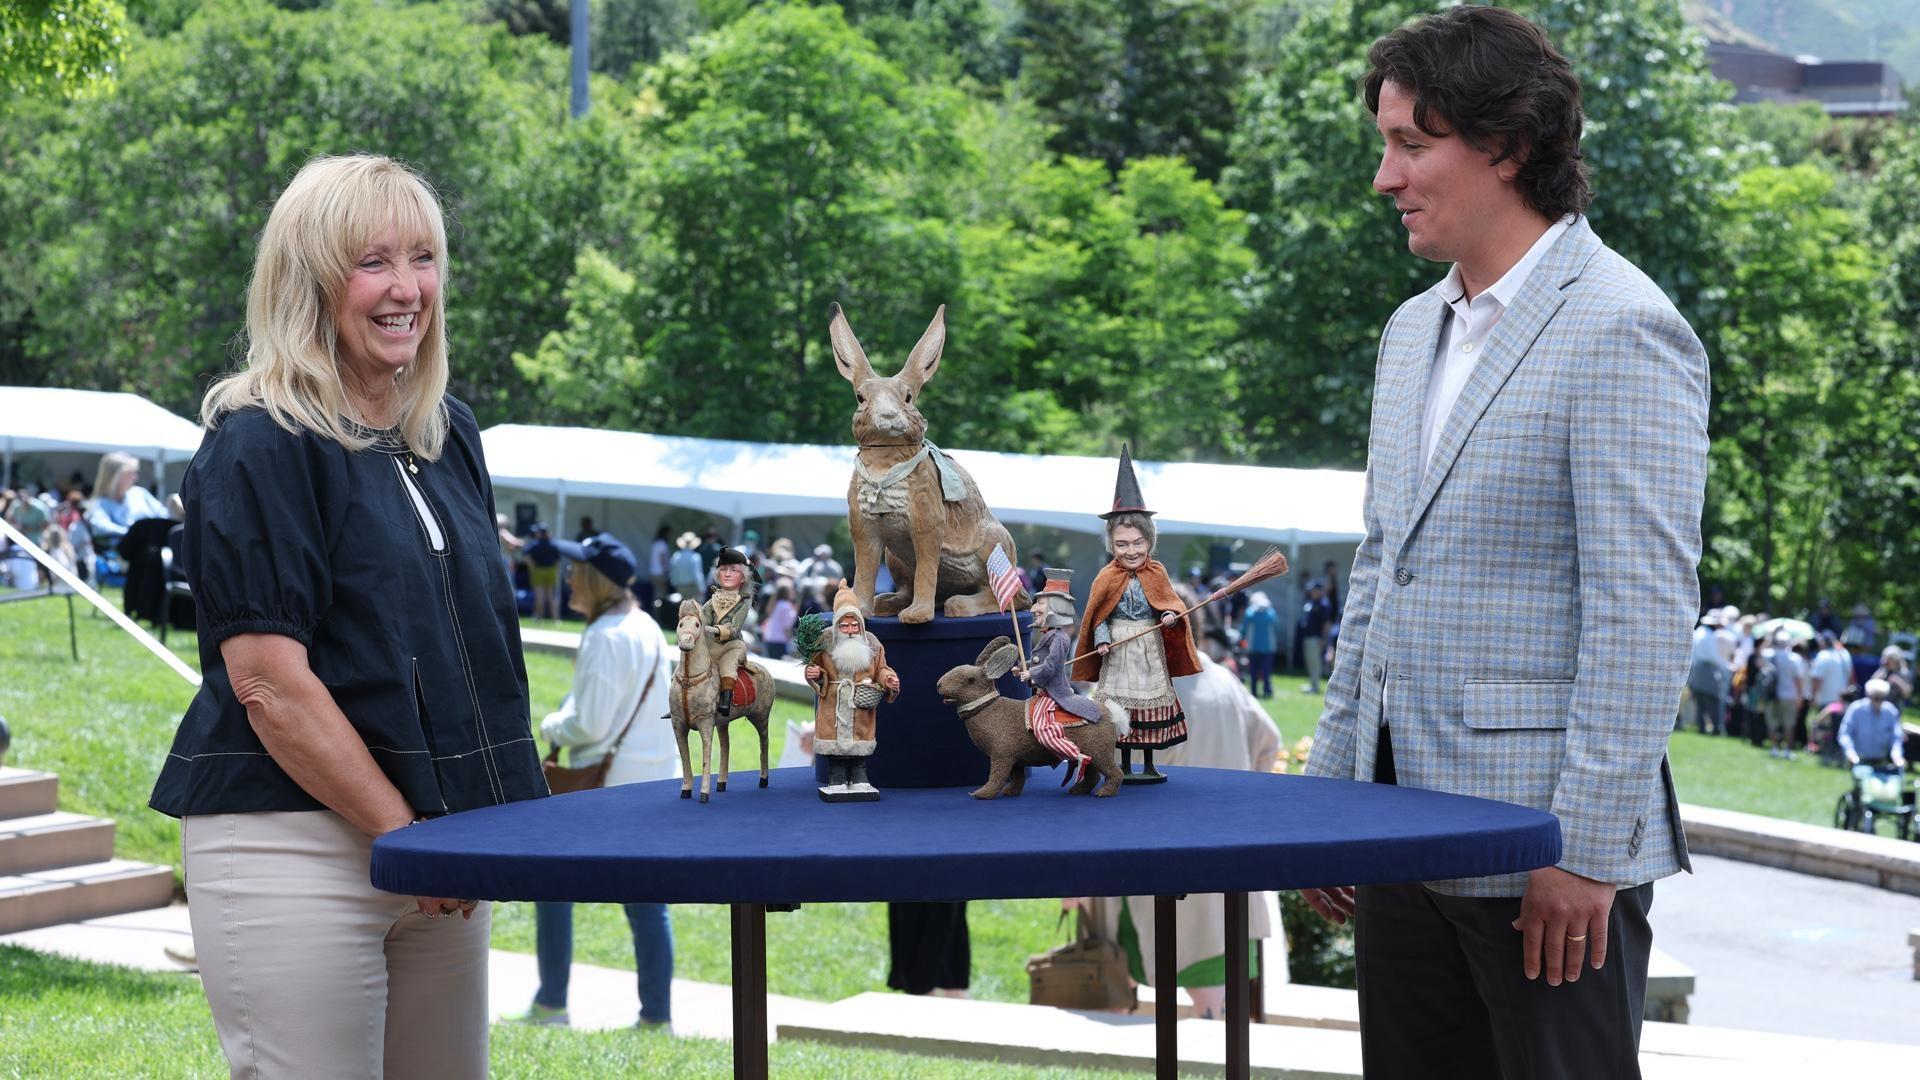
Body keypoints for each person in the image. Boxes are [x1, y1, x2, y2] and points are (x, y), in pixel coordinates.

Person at [1298, 11, 1710, 1078]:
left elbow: (1643, 610)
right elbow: (1384, 567)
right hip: (1396, 837)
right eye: (1385, 144)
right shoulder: (1409, 332)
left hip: (1544, 862)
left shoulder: (1624, 325)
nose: (1386, 178)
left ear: (1510, 145)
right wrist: (1335, 794)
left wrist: (1581, 849)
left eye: (1411, 145)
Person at [147, 154, 546, 1079]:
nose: (407, 288)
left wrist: (461, 837)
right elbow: (268, 684)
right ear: (310, 282)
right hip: (295, 842)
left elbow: (473, 654)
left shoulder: (451, 438)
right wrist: (402, 833)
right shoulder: (261, 439)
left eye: (423, 257)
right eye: (374, 262)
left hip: (435, 847)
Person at [506, 533, 676, 1030]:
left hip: (601, 790)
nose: (568, 576)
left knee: (552, 886)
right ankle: (657, 1016)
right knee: (648, 906)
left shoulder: (605, 635)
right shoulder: (643, 624)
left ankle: (552, 1003)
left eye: (576, 569)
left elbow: (591, 726)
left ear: (594, 580)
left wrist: (553, 725)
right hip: (647, 784)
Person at [1073, 651, 1281, 1018]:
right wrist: (1241, 803)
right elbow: (1269, 740)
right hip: (1225, 856)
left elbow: (1096, 774)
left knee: (1125, 991)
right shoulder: (1223, 679)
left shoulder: (1122, 688)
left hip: (1149, 862)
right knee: (1216, 986)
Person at [1074, 446, 1201, 784]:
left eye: (1137, 543)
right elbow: (1098, 617)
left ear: (1150, 540)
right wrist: (1101, 641)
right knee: (1119, 706)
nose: (1130, 551)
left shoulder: (1157, 572)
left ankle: (1149, 764)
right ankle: (1123, 765)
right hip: (1118, 648)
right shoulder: (1106, 577)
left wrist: (1170, 617)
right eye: (1122, 544)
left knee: (1149, 702)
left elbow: (1169, 603)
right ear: (1111, 544)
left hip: (1147, 650)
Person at [801, 582, 899, 799]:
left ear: (861, 625)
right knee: (835, 748)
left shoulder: (872, 643)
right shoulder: (825, 641)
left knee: (858, 745)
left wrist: (889, 678)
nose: (850, 631)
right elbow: (814, 666)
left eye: (854, 625)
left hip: (860, 705)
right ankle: (836, 780)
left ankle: (860, 779)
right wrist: (813, 673)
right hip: (833, 704)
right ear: (837, 626)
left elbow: (881, 668)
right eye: (845, 626)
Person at [84, 451, 168, 552]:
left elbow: (163, 515)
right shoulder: (99, 503)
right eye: (130, 473)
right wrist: (133, 533)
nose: (135, 478)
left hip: (152, 551)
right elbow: (101, 528)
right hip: (123, 557)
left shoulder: (139, 493)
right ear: (116, 476)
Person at [1838, 679, 1906, 770]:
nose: (1879, 701)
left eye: (1882, 698)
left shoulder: (1890, 711)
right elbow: (1845, 734)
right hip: (1859, 762)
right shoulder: (1856, 709)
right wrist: (1851, 754)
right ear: (1868, 696)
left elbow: (1896, 737)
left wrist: (1897, 756)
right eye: (1876, 698)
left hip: (1882, 762)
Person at [1762, 632, 1807, 759]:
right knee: (1789, 724)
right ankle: (1787, 750)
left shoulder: (1768, 655)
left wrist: (1769, 639)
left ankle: (1775, 748)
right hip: (1789, 695)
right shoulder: (1794, 658)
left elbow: (1759, 653)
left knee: (1772, 723)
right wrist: (1800, 696)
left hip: (1771, 695)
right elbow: (1798, 679)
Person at [1684, 611, 1730, 735]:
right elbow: (1714, 657)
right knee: (1713, 700)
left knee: (1700, 702)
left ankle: (1701, 726)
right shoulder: (1709, 636)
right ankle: (1716, 727)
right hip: (1707, 670)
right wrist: (1726, 666)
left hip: (1696, 668)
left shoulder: (1697, 632)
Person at [1807, 633, 1853, 752]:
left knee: (1823, 727)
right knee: (1837, 728)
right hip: (1842, 698)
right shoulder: (1845, 654)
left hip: (1826, 698)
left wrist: (1812, 696)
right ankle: (1834, 749)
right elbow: (1850, 676)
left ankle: (1822, 749)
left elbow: (1817, 679)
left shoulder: (1823, 656)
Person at [1239, 591, 1280, 699]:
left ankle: (1254, 691)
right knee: (1266, 671)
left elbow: (1243, 630)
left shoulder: (1249, 613)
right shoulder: (1271, 613)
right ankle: (1267, 691)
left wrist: (1242, 641)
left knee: (1253, 671)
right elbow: (1277, 627)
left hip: (1253, 647)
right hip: (1269, 647)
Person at [1298, 580, 1333, 694]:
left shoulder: (1324, 604)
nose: (1311, 592)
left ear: (1319, 590)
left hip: (1316, 637)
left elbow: (1326, 623)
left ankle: (1315, 686)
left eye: (1313, 590)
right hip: (1308, 636)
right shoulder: (1312, 602)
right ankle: (1312, 683)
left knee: (1315, 662)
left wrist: (1324, 638)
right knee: (1310, 661)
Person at [521, 522, 561, 620]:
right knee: (550, 595)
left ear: (539, 533)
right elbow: (557, 560)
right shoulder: (553, 543)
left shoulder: (535, 544)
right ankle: (555, 618)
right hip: (551, 570)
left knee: (539, 594)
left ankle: (539, 616)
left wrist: (532, 567)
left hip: (538, 570)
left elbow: (526, 556)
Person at [761, 581, 798, 659]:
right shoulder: (786, 606)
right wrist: (791, 639)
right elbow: (786, 626)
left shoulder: (776, 604)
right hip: (780, 641)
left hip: (770, 638)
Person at [667, 531, 705, 604]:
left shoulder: (676, 556)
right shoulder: (695, 557)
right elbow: (696, 575)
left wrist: (676, 585)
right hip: (692, 587)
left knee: (683, 609)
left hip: (680, 587)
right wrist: (701, 588)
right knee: (695, 610)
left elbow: (673, 573)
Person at [1872, 646, 1912, 712]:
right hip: (1879, 705)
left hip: (1895, 707)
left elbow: (1907, 694)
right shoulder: (1883, 670)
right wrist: (1877, 679)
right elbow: (1870, 686)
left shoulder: (1903, 672)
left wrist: (1898, 682)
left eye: (1889, 659)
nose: (1885, 661)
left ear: (1895, 660)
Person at [645, 524, 672, 617]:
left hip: (653, 572)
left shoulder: (655, 543)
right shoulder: (663, 544)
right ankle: (659, 615)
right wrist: (666, 571)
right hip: (660, 573)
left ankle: (655, 614)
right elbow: (663, 560)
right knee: (660, 595)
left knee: (656, 595)